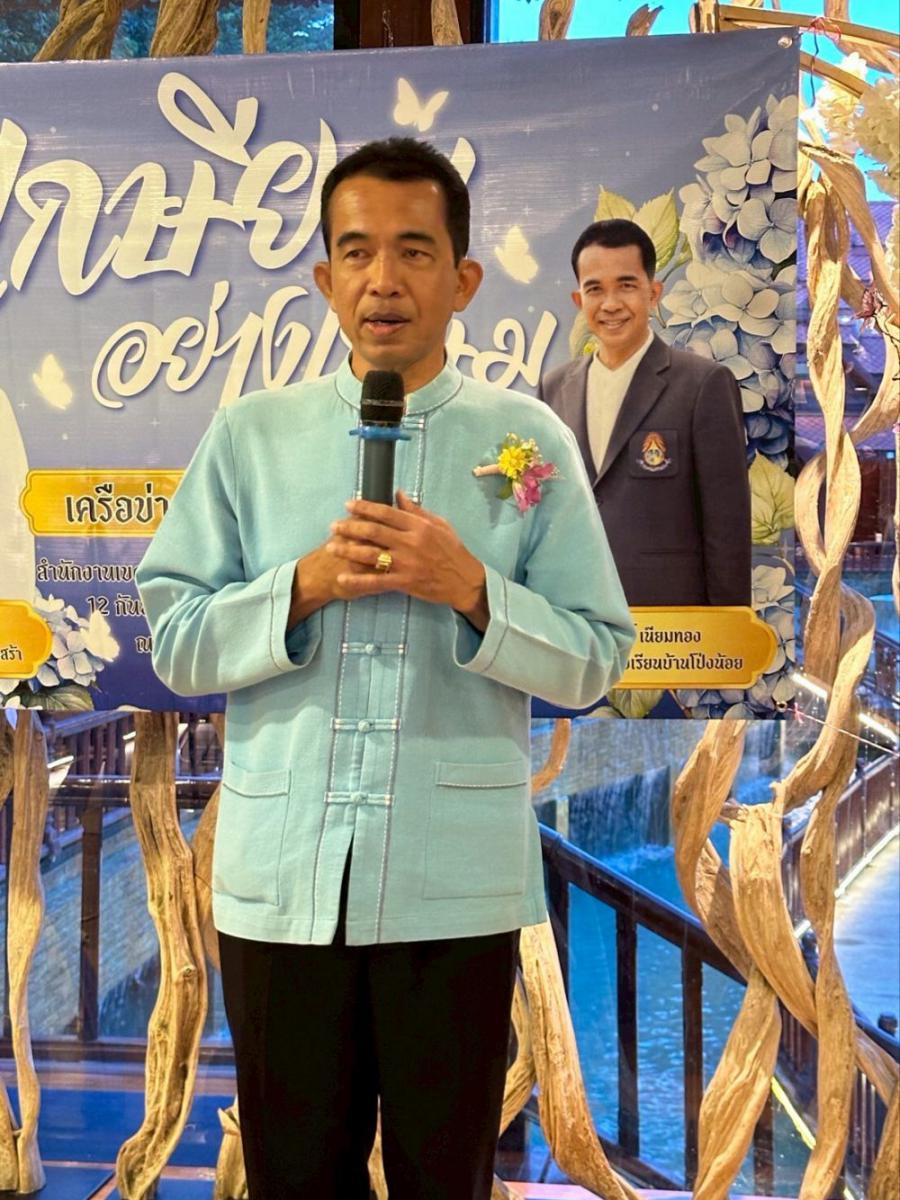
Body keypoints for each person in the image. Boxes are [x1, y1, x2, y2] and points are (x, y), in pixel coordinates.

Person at [136, 137, 634, 1200]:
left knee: (444, 1179)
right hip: (280, 887)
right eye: (356, 252)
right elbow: (174, 641)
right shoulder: (251, 436)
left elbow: (597, 656)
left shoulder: (527, 440)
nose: (383, 280)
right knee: (293, 1178)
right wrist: (302, 586)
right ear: (325, 279)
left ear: (464, 280)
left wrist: (473, 588)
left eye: (415, 251)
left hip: (454, 889)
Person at [539, 219, 752, 607]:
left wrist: (728, 627)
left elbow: (727, 528)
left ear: (653, 293)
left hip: (670, 622)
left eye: (626, 285)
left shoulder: (703, 384)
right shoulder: (553, 389)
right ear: (578, 300)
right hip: (574, 614)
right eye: (595, 289)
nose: (610, 304)